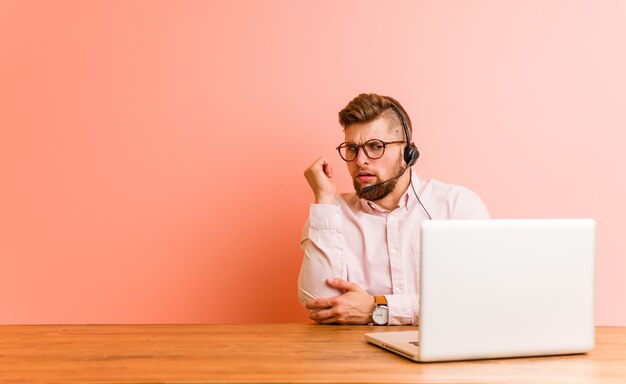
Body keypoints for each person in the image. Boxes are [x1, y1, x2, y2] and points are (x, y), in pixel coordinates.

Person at [298, 93, 489, 325]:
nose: (360, 161)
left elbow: (478, 299)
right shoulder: (329, 212)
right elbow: (320, 304)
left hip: (443, 357)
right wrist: (324, 198)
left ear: (409, 153)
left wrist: (377, 308)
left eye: (375, 146)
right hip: (357, 357)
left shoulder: (456, 206)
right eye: (351, 148)